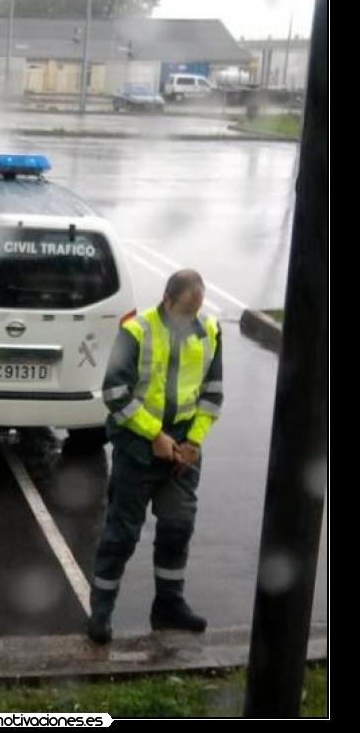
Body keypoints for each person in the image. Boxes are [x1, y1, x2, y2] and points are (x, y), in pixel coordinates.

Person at [87, 269, 223, 645]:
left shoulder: (208, 330)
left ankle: (169, 606)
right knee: (122, 535)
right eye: (184, 309)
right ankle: (101, 611)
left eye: (195, 310)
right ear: (167, 300)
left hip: (183, 452)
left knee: (178, 527)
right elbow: (115, 393)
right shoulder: (137, 331)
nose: (190, 317)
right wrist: (154, 435)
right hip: (138, 449)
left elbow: (212, 394)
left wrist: (193, 442)